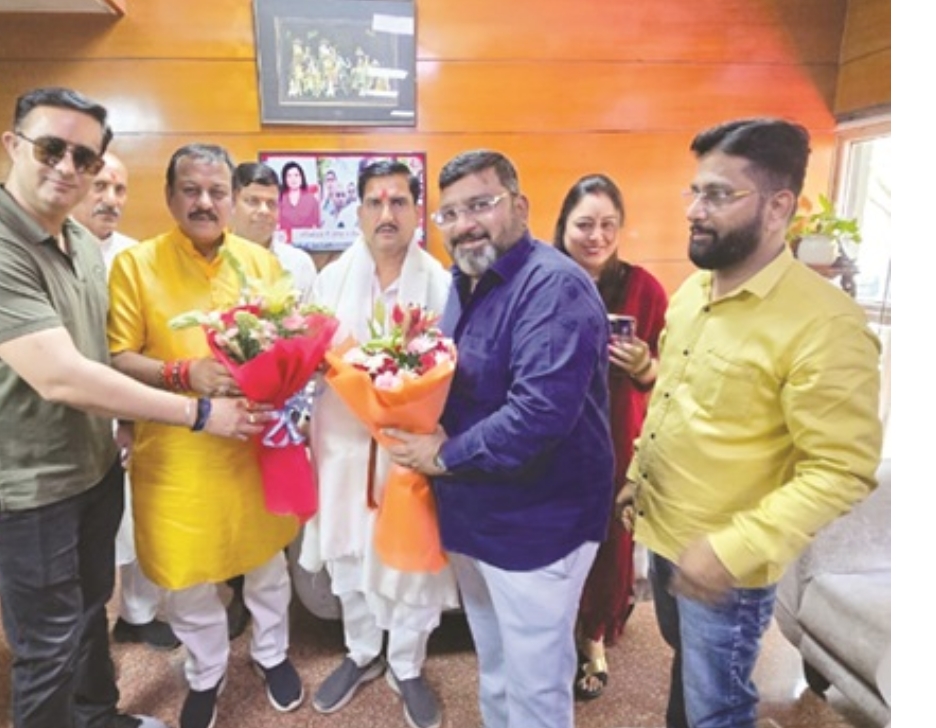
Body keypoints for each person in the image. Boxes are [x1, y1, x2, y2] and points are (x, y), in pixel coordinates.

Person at [0, 86, 265, 728]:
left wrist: (126, 422)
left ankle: (98, 716)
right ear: (13, 145)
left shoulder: (78, 240)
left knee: (87, 613)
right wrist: (197, 411)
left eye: (85, 157)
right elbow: (63, 376)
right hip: (24, 487)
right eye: (51, 148)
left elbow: (102, 347)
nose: (68, 167)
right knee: (46, 645)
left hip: (90, 466)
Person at [618, 118, 884, 728]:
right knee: (690, 677)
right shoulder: (694, 292)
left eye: (718, 195)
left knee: (718, 708)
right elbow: (673, 398)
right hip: (666, 536)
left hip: (728, 566)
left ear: (778, 205)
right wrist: (637, 475)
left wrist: (729, 550)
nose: (695, 210)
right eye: (695, 192)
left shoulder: (825, 324)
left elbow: (841, 470)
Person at [385, 150, 614, 728]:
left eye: (481, 205)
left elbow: (538, 414)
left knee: (536, 685)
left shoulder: (553, 286)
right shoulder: (466, 280)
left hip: (538, 525)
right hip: (476, 513)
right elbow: (467, 379)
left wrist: (441, 454)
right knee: (495, 666)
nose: (465, 224)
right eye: (450, 214)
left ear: (520, 206)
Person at [106, 143, 305, 728]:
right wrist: (182, 373)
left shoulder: (261, 264)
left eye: (217, 192)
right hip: (176, 454)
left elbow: (289, 343)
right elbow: (117, 358)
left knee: (266, 562)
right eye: (190, 190)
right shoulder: (136, 265)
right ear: (170, 197)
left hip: (252, 446)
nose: (204, 202)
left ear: (233, 199)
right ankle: (206, 671)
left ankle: (272, 653)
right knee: (188, 574)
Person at [300, 160, 458, 728]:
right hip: (342, 447)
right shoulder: (330, 281)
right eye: (374, 202)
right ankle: (362, 650)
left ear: (417, 211)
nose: (386, 213)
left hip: (408, 453)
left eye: (398, 201)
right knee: (348, 552)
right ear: (359, 211)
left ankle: (407, 665)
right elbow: (311, 358)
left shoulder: (443, 285)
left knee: (408, 563)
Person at [551, 173, 668, 700]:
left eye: (607, 225)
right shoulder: (540, 279)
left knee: (608, 538)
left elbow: (669, 373)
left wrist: (644, 366)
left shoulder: (644, 288)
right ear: (563, 225)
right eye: (584, 224)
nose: (596, 236)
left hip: (616, 428)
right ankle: (554, 629)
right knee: (554, 533)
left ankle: (594, 634)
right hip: (552, 431)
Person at [71, 150, 180, 652]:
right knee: (84, 535)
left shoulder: (137, 258)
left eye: (120, 189)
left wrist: (131, 419)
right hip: (71, 413)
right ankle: (85, 631)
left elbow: (147, 345)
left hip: (131, 409)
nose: (111, 199)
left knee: (136, 518)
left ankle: (138, 614)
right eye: (100, 186)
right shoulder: (52, 252)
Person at [231, 161, 318, 294]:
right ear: (232, 204)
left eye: (271, 203)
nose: (264, 211)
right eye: (253, 201)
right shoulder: (216, 260)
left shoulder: (298, 264)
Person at [277, 160, 321, 233]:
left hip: (307, 238)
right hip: (284, 238)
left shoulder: (312, 199)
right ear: (285, 179)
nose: (293, 179)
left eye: (296, 175)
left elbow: (317, 226)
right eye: (289, 176)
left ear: (302, 177)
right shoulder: (279, 199)